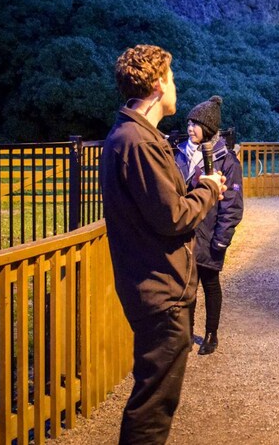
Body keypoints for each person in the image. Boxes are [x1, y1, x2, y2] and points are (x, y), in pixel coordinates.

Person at [100, 45, 226, 443]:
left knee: (153, 400)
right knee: (153, 407)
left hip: (153, 286)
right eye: (171, 78)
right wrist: (209, 190)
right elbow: (173, 215)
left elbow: (159, 208)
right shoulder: (138, 141)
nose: (176, 86)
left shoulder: (130, 136)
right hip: (161, 293)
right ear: (157, 84)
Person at [175, 96, 244, 356]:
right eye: (189, 123)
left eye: (196, 124)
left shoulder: (226, 160)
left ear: (209, 128)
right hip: (184, 233)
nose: (190, 128)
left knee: (210, 283)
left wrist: (221, 240)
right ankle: (187, 332)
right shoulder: (180, 153)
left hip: (210, 233)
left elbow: (232, 206)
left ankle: (212, 334)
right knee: (186, 287)